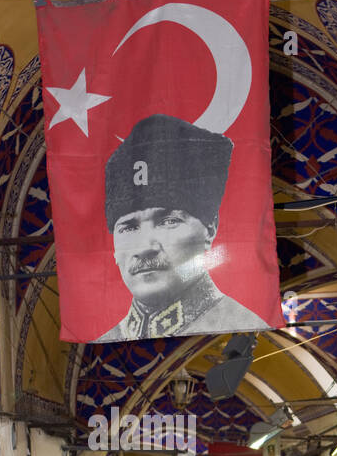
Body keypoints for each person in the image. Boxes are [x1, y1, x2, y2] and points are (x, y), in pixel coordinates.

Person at [96, 114, 272, 342]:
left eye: (168, 221)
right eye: (128, 228)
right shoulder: (104, 341)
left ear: (210, 228)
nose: (145, 247)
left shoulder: (245, 326)